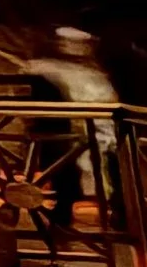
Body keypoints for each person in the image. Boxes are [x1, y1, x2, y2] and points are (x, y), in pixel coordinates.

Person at [24, 24, 120, 241]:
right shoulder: (52, 71)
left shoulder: (80, 71)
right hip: (69, 139)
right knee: (98, 161)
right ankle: (72, 216)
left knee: (110, 159)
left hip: (87, 135)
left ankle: (112, 211)